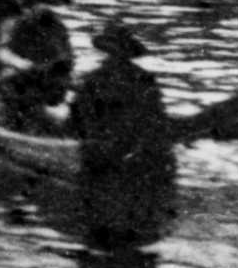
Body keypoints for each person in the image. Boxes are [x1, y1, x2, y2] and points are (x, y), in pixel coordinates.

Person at [69, 22, 173, 182]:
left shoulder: (143, 80)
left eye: (118, 51)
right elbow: (79, 117)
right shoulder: (95, 80)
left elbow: (156, 117)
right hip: (112, 148)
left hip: (124, 148)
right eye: (113, 51)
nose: (115, 56)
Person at [0, 0, 75, 137]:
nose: (43, 8)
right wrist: (19, 63)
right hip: (14, 88)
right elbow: (2, 52)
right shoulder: (14, 24)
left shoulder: (56, 27)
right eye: (38, 4)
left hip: (42, 90)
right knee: (11, 121)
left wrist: (62, 67)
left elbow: (67, 56)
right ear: (29, 6)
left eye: (47, 4)